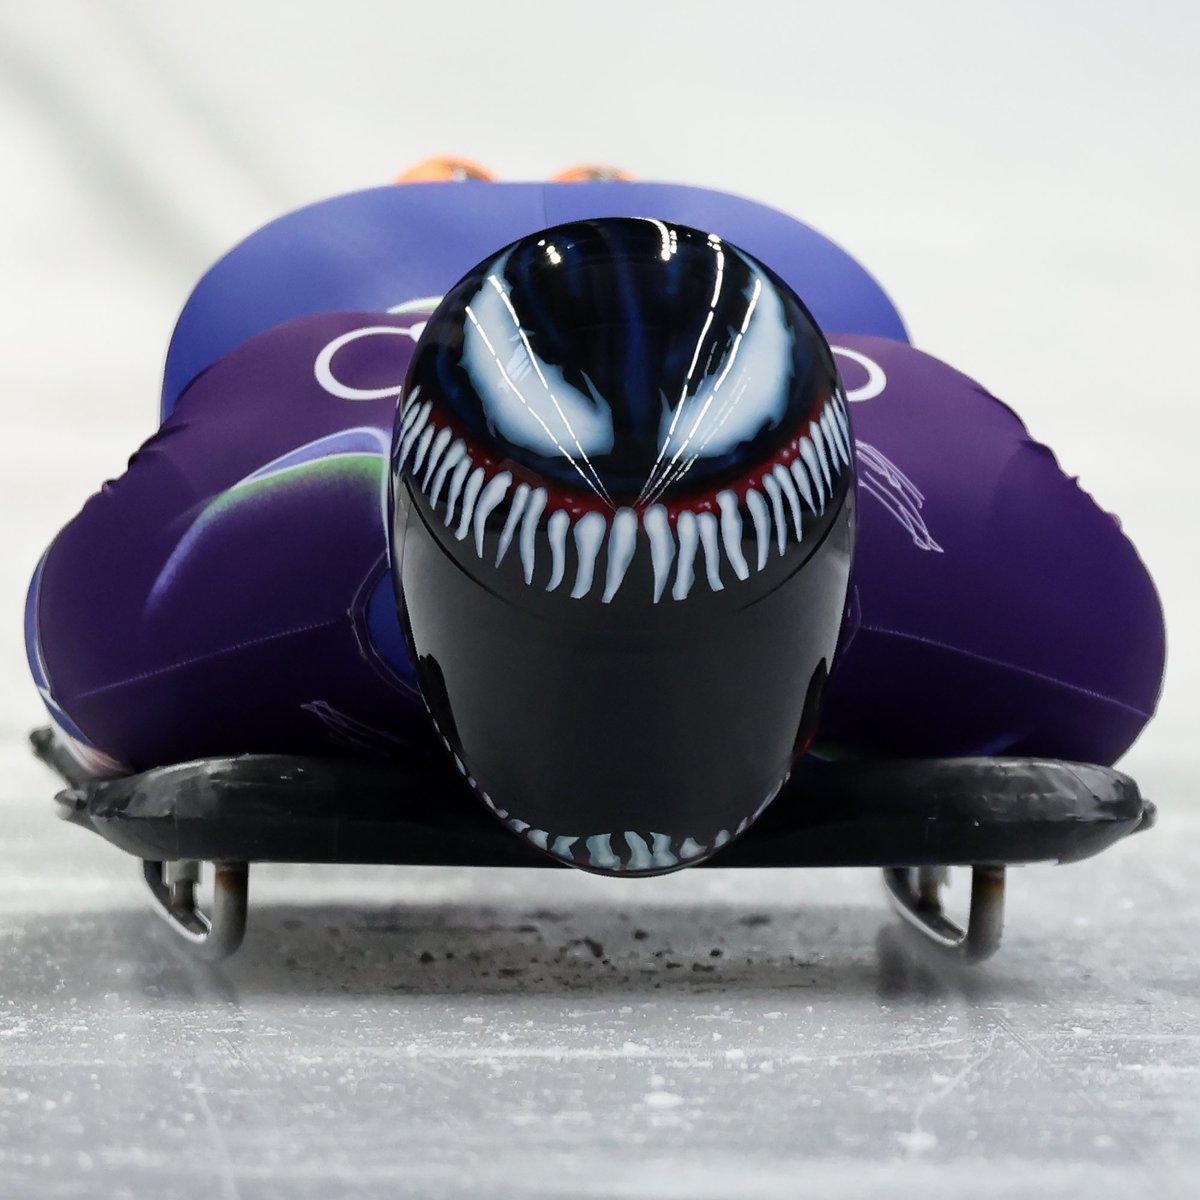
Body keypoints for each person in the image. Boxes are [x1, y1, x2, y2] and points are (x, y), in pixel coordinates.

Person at [24, 164, 1165, 874]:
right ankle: (517, 188)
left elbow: (90, 706)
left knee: (849, 306)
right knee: (227, 339)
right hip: (342, 282)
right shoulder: (203, 565)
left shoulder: (148, 637)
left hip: (811, 312)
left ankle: (490, 186)